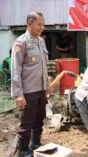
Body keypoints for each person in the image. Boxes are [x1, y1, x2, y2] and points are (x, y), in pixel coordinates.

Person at [11, 12, 50, 157]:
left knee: (39, 119)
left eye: (43, 24)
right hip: (28, 91)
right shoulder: (21, 43)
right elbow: (16, 70)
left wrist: (47, 84)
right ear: (29, 24)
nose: (42, 27)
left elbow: (44, 65)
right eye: (39, 24)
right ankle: (23, 150)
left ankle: (35, 144)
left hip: (40, 89)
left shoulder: (41, 41)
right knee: (27, 122)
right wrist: (18, 94)